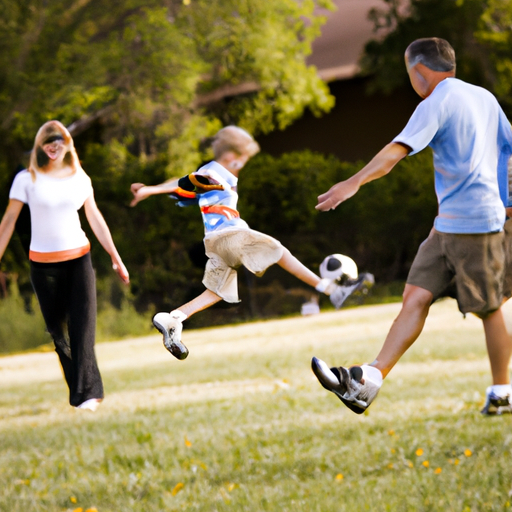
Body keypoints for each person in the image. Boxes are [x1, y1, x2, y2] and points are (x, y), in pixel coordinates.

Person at [311, 37, 512, 416]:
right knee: (416, 296)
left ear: (419, 71)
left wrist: (351, 182)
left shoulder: (436, 101)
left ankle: (503, 392)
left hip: (477, 225)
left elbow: (395, 152)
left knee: (489, 309)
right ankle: (368, 381)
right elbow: (509, 149)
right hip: (446, 226)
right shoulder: (484, 97)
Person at [130, 126, 371, 360]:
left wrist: (150, 190)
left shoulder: (223, 177)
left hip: (214, 244)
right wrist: (196, 180)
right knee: (278, 250)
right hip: (231, 235)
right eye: (243, 159)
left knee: (216, 292)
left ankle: (174, 319)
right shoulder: (216, 169)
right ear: (230, 156)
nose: (243, 164)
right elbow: (197, 179)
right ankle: (334, 291)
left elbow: (181, 190)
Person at [0, 120, 129, 411]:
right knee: (59, 334)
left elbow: (94, 217)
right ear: (40, 146)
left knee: (83, 328)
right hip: (43, 267)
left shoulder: (79, 177)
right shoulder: (26, 179)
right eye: (48, 140)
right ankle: (82, 392)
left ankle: (88, 395)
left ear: (67, 142)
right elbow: (8, 222)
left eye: (59, 139)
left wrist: (115, 257)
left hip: (79, 259)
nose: (54, 145)